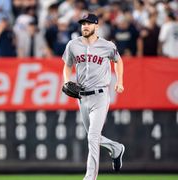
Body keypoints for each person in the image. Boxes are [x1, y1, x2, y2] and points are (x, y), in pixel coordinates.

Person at [62, 13, 125, 180]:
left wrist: (119, 81)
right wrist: (67, 81)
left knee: (92, 137)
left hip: (100, 95)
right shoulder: (72, 45)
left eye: (89, 23)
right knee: (92, 136)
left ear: (97, 26)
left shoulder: (107, 46)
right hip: (82, 97)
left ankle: (90, 177)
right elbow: (67, 66)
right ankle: (116, 148)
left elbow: (118, 61)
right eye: (83, 23)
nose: (85, 26)